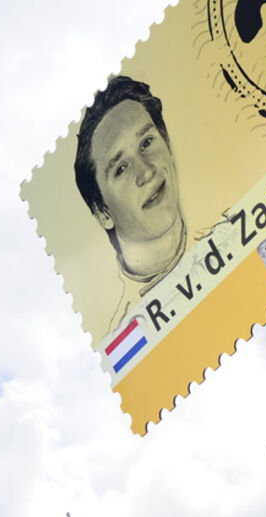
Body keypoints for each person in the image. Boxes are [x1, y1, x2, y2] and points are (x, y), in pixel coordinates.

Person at [74, 75, 187, 330]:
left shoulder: (239, 229)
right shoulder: (126, 335)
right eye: (121, 168)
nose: (146, 172)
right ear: (103, 212)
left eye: (147, 142)